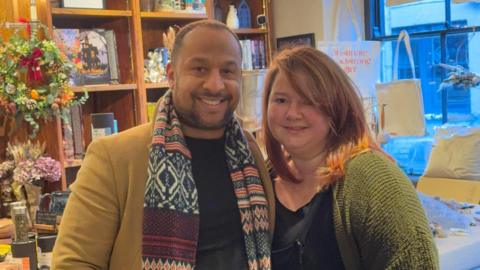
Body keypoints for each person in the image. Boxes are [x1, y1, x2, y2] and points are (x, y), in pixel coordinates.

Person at [52, 20, 274, 270]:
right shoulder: (114, 157)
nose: (215, 84)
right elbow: (74, 262)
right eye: (199, 69)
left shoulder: (251, 154)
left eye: (228, 71)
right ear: (171, 75)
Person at [262, 47, 439, 270]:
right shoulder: (264, 179)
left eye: (308, 101)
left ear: (337, 106)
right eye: (280, 100)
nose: (292, 113)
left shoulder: (376, 182)